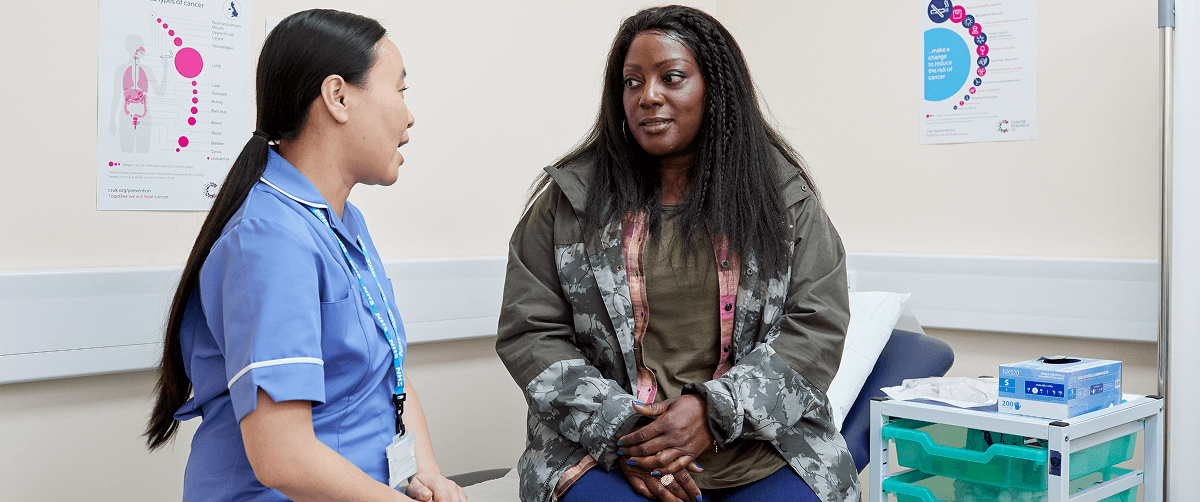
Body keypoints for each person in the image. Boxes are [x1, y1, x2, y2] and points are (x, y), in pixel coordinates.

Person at [496, 5, 858, 502]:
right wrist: (628, 434)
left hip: (764, 447)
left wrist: (713, 414)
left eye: (672, 77)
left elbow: (816, 325)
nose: (648, 97)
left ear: (715, 89)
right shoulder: (569, 203)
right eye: (631, 82)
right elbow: (531, 332)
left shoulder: (783, 200)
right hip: (607, 446)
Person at [143, 10, 466, 502]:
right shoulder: (268, 239)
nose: (409, 114)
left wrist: (429, 475)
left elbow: (388, 372)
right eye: (400, 91)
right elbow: (283, 459)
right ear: (338, 97)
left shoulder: (341, 220)